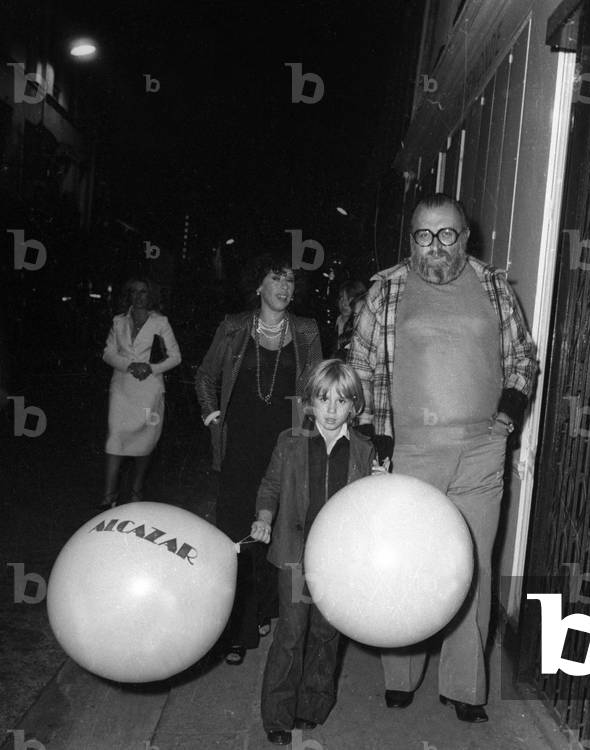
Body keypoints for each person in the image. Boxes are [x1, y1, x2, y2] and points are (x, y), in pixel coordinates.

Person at [348, 192, 539, 723]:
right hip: (408, 453)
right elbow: (360, 367)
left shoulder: (493, 286)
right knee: (409, 566)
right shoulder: (386, 291)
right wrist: (373, 441)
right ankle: (401, 674)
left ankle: (464, 687)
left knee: (473, 566)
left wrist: (506, 418)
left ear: (465, 236)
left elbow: (523, 356)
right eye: (423, 235)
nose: (435, 245)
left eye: (447, 233)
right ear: (410, 239)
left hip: (481, 454)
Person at [195, 254, 323, 666]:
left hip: (284, 443)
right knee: (236, 529)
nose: (285, 288)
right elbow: (205, 376)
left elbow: (317, 386)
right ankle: (236, 628)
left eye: (289, 281)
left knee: (278, 525)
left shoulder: (306, 330)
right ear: (258, 286)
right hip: (239, 445)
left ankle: (266, 608)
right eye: (276, 279)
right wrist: (214, 417)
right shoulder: (234, 326)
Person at [250, 359, 380, 745]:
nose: (331, 409)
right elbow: (269, 487)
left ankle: (312, 707)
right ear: (309, 401)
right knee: (291, 633)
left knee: (325, 635)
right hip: (294, 552)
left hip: (337, 560)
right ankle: (277, 716)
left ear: (354, 406)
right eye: (324, 399)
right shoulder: (290, 441)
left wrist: (381, 485)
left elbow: (368, 504)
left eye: (341, 401)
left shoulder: (363, 449)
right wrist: (264, 519)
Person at [101, 278, 181, 508]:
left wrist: (151, 368)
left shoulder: (160, 322)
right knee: (114, 438)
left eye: (143, 292)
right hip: (122, 389)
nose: (138, 296)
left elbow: (175, 356)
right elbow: (107, 352)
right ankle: (109, 497)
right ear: (128, 295)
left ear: (150, 295)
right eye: (134, 292)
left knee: (144, 441)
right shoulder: (118, 321)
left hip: (149, 389)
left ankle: (136, 491)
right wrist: (129, 365)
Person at [333, 279, 367, 360]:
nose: (344, 303)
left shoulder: (363, 328)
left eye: (349, 298)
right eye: (341, 298)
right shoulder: (332, 324)